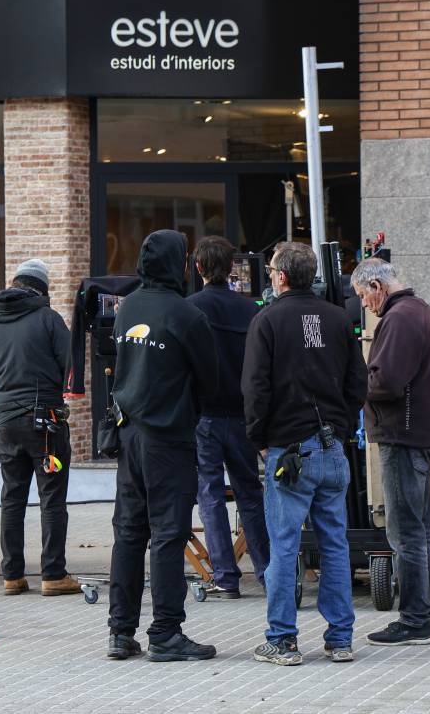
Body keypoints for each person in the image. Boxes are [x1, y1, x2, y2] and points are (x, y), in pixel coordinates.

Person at [242, 241, 367, 666]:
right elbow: (357, 383)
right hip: (333, 447)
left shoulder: (268, 321)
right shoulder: (337, 318)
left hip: (288, 449)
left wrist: (258, 437)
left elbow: (256, 388)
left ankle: (282, 639)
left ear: (279, 276)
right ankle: (340, 638)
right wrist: (345, 427)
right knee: (335, 544)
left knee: (284, 545)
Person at [106, 229, 219, 662]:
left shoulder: (127, 306)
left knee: (129, 534)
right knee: (169, 535)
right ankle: (166, 632)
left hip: (128, 434)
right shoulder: (187, 315)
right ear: (178, 263)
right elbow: (210, 381)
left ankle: (120, 631)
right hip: (169, 438)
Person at [351, 258, 430, 647]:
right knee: (421, 528)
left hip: (404, 436)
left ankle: (414, 621)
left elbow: (386, 383)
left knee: (405, 532)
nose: (365, 305)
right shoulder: (421, 310)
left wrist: (353, 382)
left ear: (377, 285)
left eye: (363, 296)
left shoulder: (399, 318)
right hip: (425, 434)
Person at [0, 259, 81, 597]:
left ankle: (12, 576)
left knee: (12, 498)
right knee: (52, 498)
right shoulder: (49, 319)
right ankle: (53, 574)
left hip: (6, 424)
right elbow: (71, 363)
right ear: (42, 288)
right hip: (45, 425)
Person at [187, 236, 270, 598]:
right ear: (231, 268)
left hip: (204, 413)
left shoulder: (191, 309)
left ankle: (225, 574)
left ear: (199, 267)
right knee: (250, 491)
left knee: (210, 492)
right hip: (241, 413)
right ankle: (267, 570)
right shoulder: (251, 310)